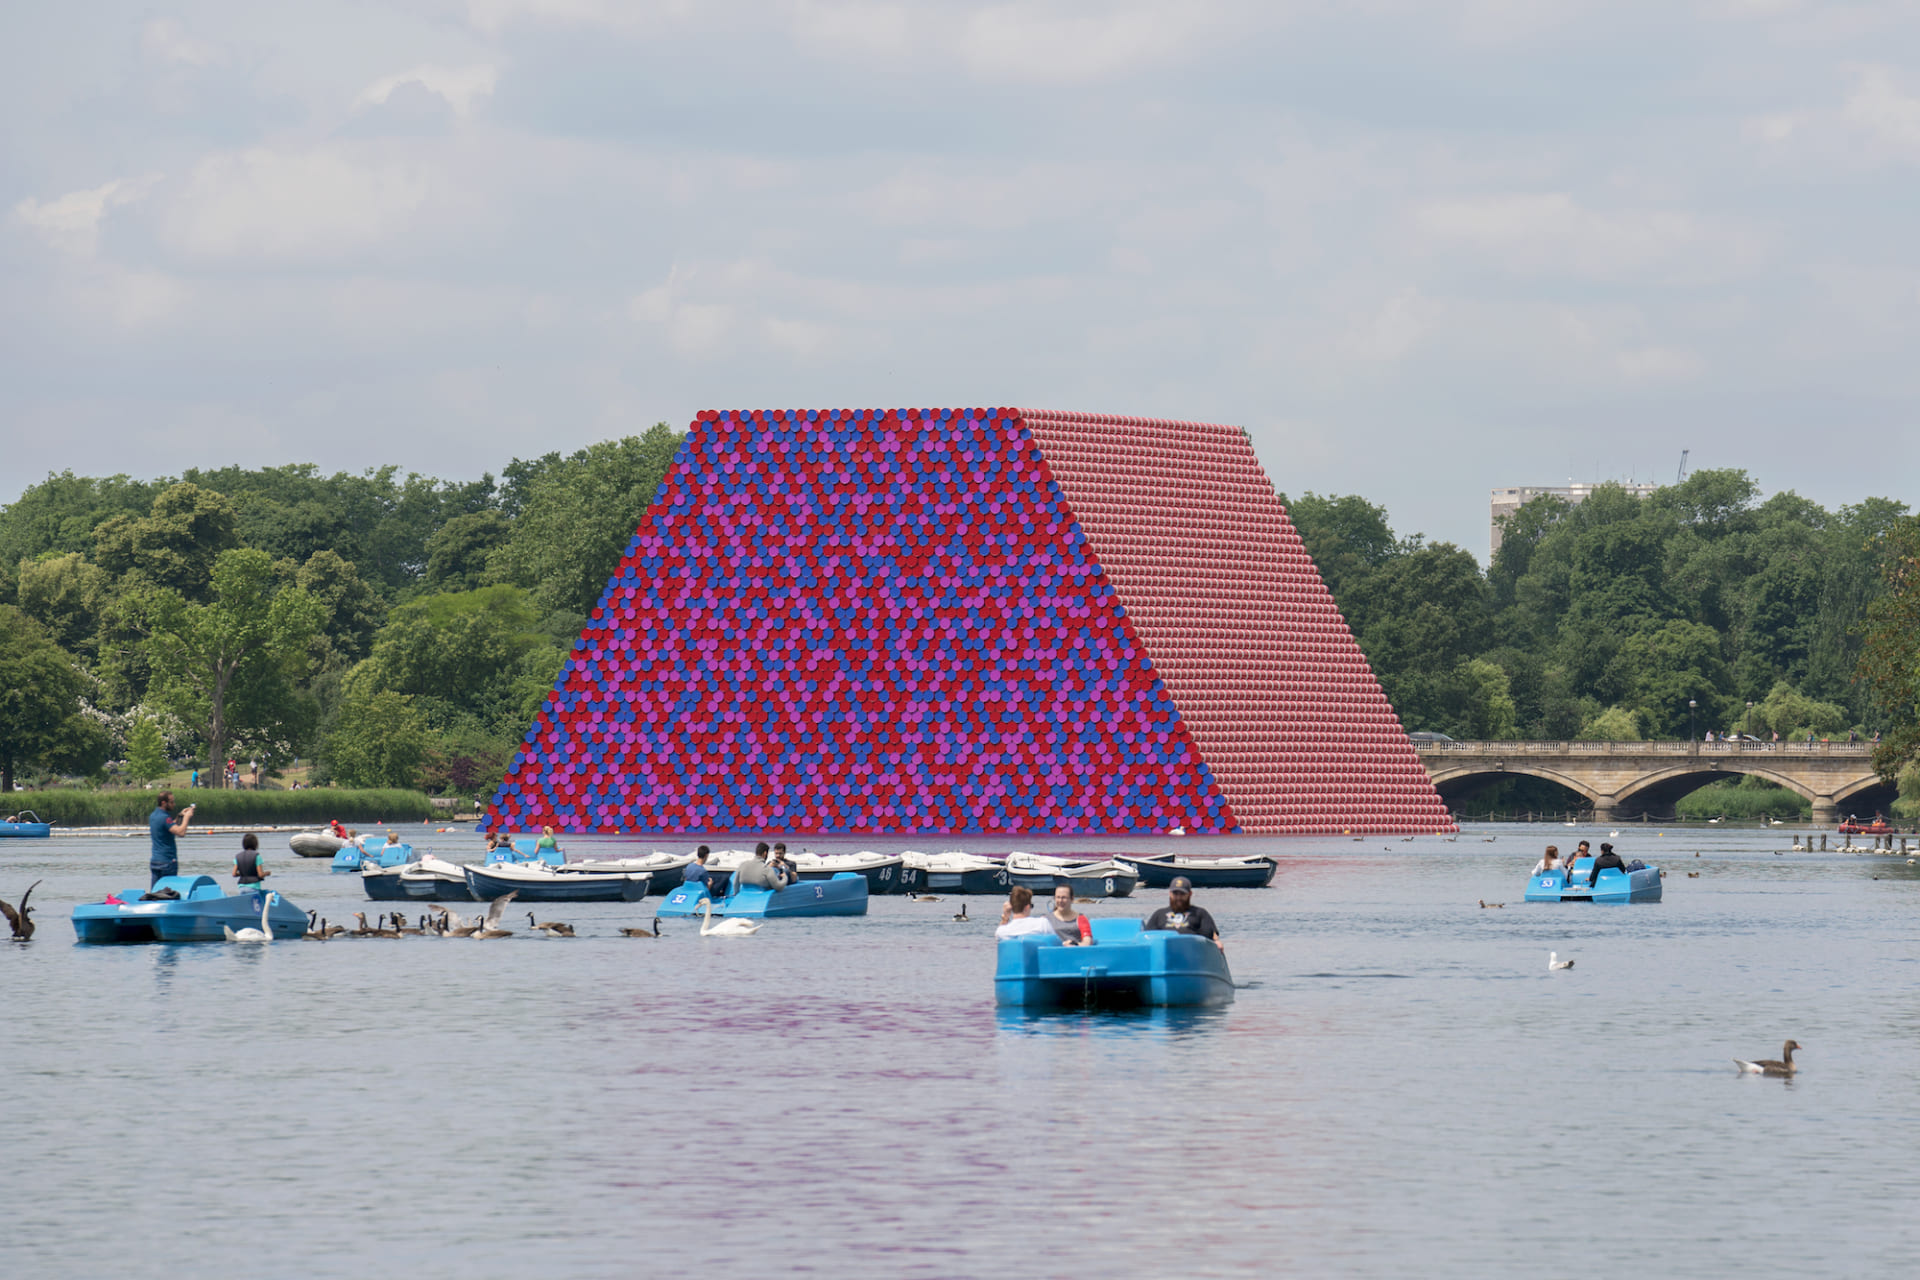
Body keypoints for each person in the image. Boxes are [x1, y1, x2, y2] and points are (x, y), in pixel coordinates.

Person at [1143, 876, 1223, 949]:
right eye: (1175, 893)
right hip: (1166, 950)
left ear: (1190, 894)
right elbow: (1147, 938)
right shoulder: (1159, 914)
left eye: (1182, 894)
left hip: (1192, 952)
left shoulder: (1200, 913)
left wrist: (1217, 942)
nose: (1178, 897)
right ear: (1170, 893)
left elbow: (1211, 935)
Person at [148, 790, 195, 886]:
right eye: (172, 802)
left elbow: (168, 827)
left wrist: (179, 816)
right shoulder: (165, 817)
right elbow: (181, 832)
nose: (174, 804)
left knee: (155, 893)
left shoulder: (153, 816)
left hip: (155, 861)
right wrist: (186, 818)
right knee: (168, 893)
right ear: (164, 803)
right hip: (167, 862)